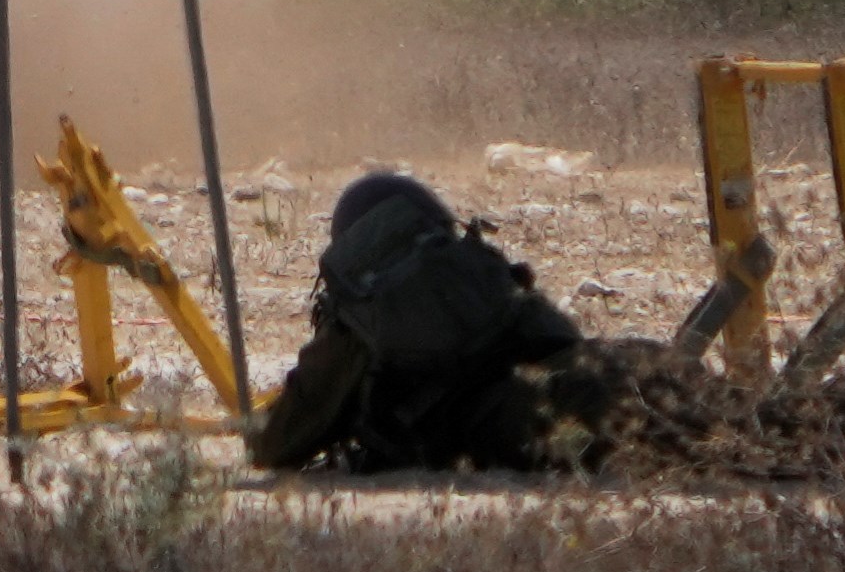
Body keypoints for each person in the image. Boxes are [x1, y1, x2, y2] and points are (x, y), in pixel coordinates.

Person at [248, 170, 621, 475]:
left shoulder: (366, 309)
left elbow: (277, 442)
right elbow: (559, 336)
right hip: (595, 371)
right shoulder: (475, 265)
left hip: (527, 420)